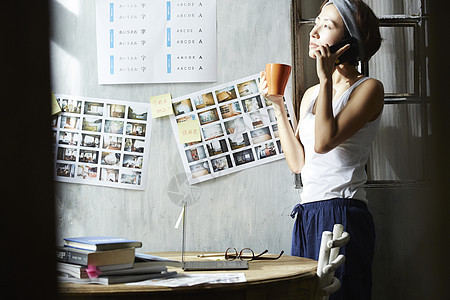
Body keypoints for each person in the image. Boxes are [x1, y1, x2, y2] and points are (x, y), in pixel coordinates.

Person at [259, 0, 383, 299]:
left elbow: (324, 142)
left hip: (343, 210)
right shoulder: (312, 95)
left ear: (349, 40)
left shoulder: (369, 88)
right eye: (317, 22)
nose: (314, 31)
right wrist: (278, 106)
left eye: (327, 26)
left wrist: (326, 77)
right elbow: (299, 162)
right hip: (308, 211)